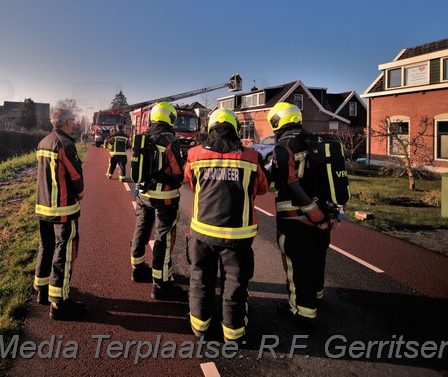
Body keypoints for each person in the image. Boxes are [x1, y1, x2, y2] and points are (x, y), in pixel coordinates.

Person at [184, 108, 269, 344]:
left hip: (202, 232)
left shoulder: (194, 154)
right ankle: (233, 332)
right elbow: (261, 188)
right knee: (235, 283)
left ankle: (200, 326)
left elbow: (190, 181)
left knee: (200, 278)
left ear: (210, 127)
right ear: (236, 128)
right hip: (238, 236)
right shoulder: (251, 157)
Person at [266, 101, 338, 324]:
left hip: (295, 219)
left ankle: (301, 312)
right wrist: (324, 213)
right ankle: (317, 296)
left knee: (297, 265)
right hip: (324, 216)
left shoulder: (284, 146)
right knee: (318, 258)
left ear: (277, 121)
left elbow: (283, 180)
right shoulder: (317, 141)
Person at [33, 108, 86, 320]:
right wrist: (80, 194)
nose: (74, 123)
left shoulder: (43, 142)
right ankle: (60, 303)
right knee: (63, 252)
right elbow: (76, 176)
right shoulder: (66, 144)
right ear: (65, 122)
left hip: (42, 206)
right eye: (72, 120)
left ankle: (42, 291)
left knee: (45, 246)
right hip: (63, 208)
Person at [130, 101, 186, 301]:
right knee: (164, 237)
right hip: (165, 197)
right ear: (170, 118)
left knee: (141, 228)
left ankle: (137, 269)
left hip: (143, 194)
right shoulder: (169, 139)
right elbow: (179, 172)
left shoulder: (143, 137)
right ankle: (161, 284)